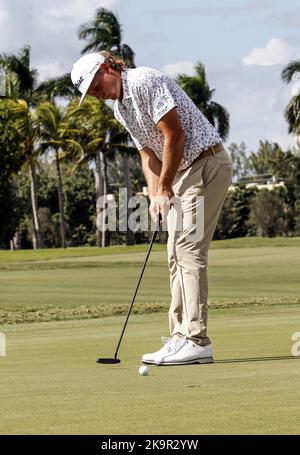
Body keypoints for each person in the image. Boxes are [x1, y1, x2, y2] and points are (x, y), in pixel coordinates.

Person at [71, 51, 233, 366]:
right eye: (90, 92)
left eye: (95, 84)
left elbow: (174, 135)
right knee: (175, 253)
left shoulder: (145, 80)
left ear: (107, 68)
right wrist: (155, 193)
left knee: (188, 250)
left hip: (206, 164)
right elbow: (148, 155)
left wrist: (165, 187)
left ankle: (197, 340)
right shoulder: (120, 109)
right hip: (182, 171)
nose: (96, 93)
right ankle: (180, 337)